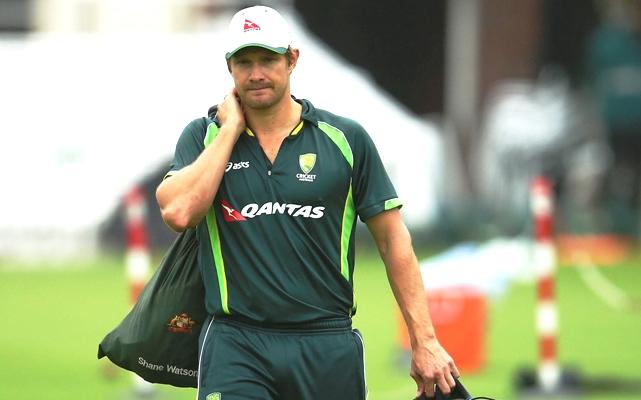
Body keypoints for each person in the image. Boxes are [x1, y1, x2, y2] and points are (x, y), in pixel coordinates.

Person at [156, 5, 459, 400]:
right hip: (236, 343)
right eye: (244, 62)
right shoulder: (203, 137)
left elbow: (393, 241)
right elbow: (179, 212)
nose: (256, 73)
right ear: (229, 67)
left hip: (326, 344)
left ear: (292, 59)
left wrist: (425, 341)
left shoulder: (345, 140)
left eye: (267, 59)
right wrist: (230, 129)